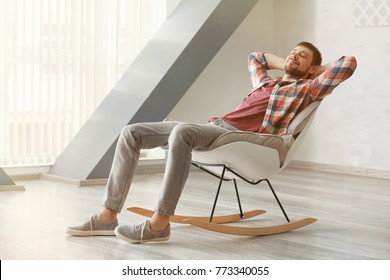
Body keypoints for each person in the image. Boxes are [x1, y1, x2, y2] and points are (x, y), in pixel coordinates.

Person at [67, 41, 357, 243]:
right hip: (215, 128)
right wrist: (291, 62)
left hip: (245, 140)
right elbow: (255, 57)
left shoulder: (307, 89)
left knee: (182, 133)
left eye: (302, 55)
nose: (294, 56)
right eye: (292, 52)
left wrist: (313, 71)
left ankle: (159, 225)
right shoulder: (266, 83)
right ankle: (107, 216)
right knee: (132, 132)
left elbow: (348, 64)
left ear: (313, 68)